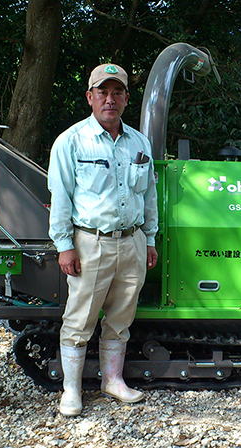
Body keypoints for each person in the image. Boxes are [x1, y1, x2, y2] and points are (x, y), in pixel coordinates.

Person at [48, 63, 158, 417]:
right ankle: (71, 390)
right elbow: (61, 197)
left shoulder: (140, 143)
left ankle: (113, 381)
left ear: (127, 98)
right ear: (90, 97)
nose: (109, 99)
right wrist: (64, 245)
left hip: (133, 242)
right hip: (89, 243)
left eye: (117, 92)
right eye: (102, 92)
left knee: (121, 317)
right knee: (80, 319)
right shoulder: (71, 141)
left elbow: (150, 195)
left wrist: (150, 239)